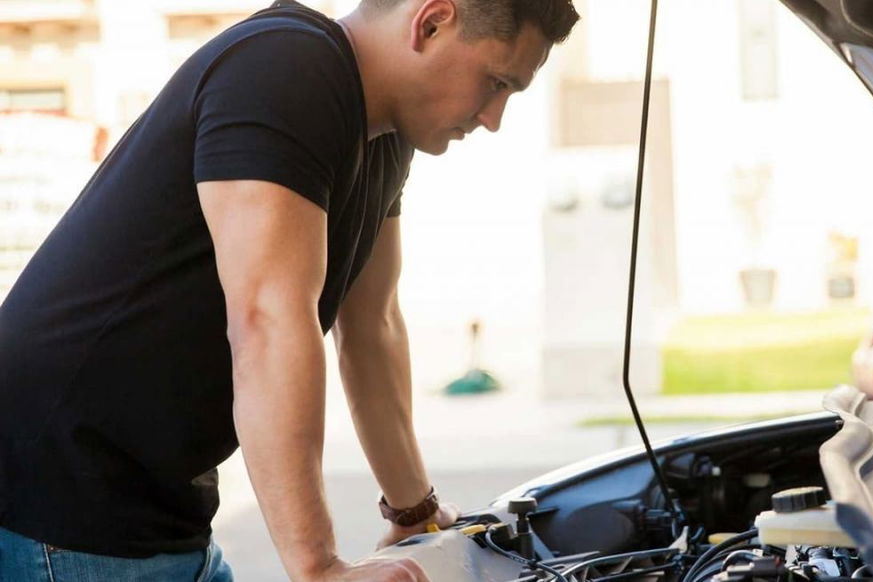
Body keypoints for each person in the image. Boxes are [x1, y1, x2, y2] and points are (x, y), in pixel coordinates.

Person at [0, 0, 578, 580]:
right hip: (65, 500)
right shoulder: (287, 68)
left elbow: (371, 325)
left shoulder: (384, 135)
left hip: (153, 506)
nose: (494, 117)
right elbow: (268, 317)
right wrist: (319, 567)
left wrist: (414, 511)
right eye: (497, 82)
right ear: (430, 22)